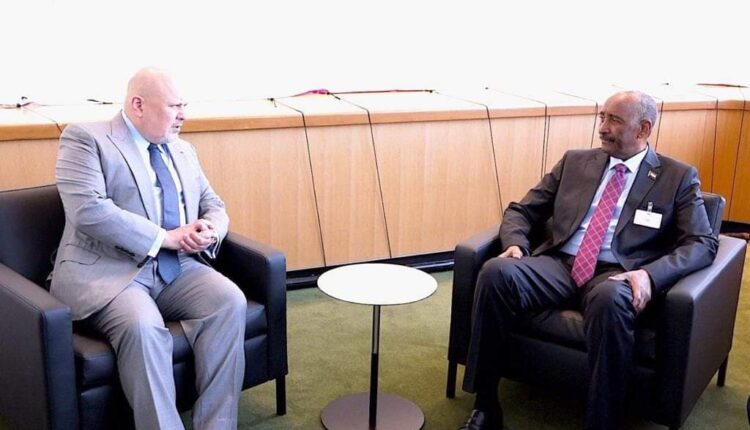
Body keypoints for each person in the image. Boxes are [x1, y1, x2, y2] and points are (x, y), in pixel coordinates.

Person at [458, 91, 718, 430]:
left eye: (615, 120)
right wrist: (516, 245)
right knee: (496, 272)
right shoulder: (575, 161)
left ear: (643, 129)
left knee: (611, 299)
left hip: (617, 272)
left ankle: (602, 422)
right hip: (560, 263)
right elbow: (521, 210)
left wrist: (649, 276)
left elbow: (702, 242)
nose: (603, 128)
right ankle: (486, 405)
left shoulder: (676, 177)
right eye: (602, 117)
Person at [50, 68, 247, 430]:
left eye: (184, 105)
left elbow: (213, 204)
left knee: (229, 301)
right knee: (143, 326)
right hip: (111, 272)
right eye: (174, 106)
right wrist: (165, 237)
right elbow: (88, 210)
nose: (183, 115)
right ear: (138, 105)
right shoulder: (86, 139)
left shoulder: (183, 149)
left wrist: (210, 230)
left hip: (178, 268)